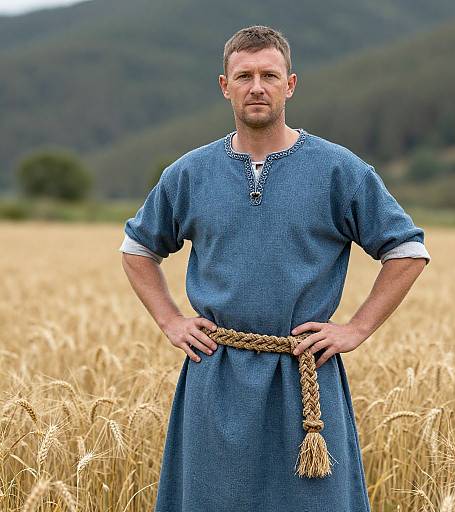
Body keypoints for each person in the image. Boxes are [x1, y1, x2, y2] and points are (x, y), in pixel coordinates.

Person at [119, 25, 430, 512]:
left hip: (304, 373)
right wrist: (170, 320)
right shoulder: (190, 172)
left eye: (269, 74)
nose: (257, 87)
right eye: (244, 76)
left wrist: (357, 328)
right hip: (215, 375)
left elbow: (407, 250)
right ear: (225, 86)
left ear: (291, 84)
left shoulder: (339, 170)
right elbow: (137, 248)